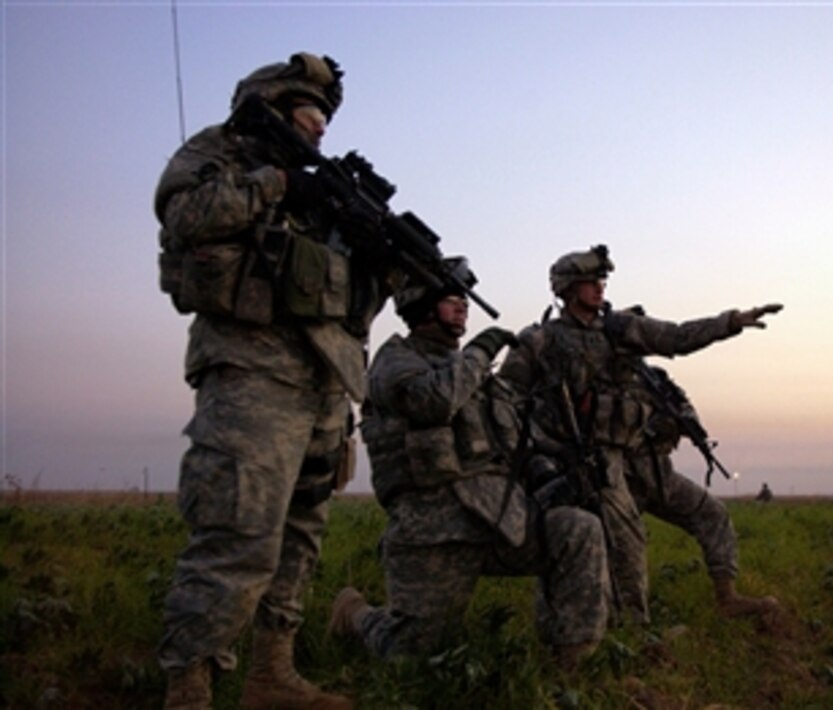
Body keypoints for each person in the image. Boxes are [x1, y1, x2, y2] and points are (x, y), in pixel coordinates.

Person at [155, 52, 395, 709]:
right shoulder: (224, 153)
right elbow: (185, 217)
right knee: (239, 533)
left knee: (299, 535)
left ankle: (271, 675)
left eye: (325, 115)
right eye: (312, 112)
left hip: (325, 377)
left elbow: (344, 296)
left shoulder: (325, 194)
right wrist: (279, 184)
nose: (322, 127)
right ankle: (189, 689)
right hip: (251, 368)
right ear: (275, 104)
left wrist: (379, 260)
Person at [329, 260, 610, 669]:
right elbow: (434, 401)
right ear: (422, 306)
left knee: (578, 528)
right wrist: (480, 351)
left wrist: (552, 472)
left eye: (464, 300)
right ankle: (354, 614)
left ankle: (568, 662)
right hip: (433, 530)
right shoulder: (396, 361)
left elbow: (516, 441)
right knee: (414, 654)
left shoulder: (480, 378)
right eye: (451, 300)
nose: (462, 307)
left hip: (499, 520)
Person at [499, 244, 782, 624]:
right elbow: (507, 399)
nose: (599, 288)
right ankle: (630, 632)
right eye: (590, 282)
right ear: (567, 289)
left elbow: (677, 337)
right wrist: (539, 455)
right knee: (617, 548)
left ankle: (725, 598)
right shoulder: (540, 340)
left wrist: (731, 322)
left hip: (637, 459)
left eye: (602, 280)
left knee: (707, 514)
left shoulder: (620, 330)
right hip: (586, 465)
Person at [625, 362, 779, 618]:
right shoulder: (599, 376)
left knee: (713, 513)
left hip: (659, 473)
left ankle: (727, 598)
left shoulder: (654, 378)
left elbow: (687, 413)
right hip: (619, 475)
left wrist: (678, 419)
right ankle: (628, 623)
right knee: (627, 546)